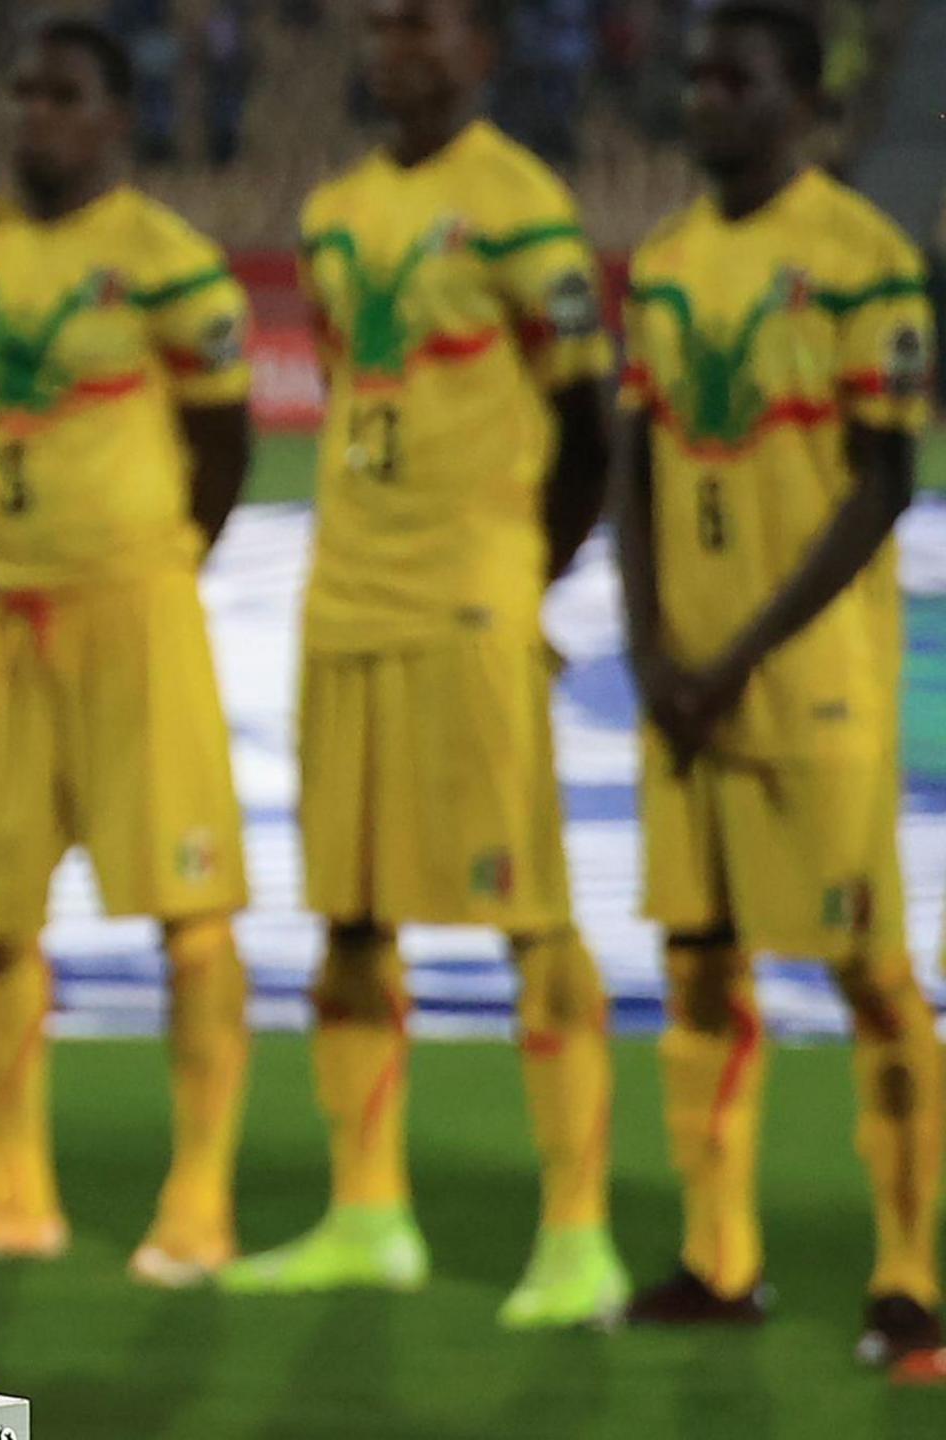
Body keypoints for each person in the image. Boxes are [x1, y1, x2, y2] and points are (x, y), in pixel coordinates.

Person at [217, 0, 621, 1329]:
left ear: (483, 51)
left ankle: (577, 1236)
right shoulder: (333, 211)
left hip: (466, 604)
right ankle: (367, 1211)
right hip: (347, 600)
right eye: (384, 23)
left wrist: (520, 579)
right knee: (347, 915)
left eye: (429, 24)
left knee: (529, 914)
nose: (401, 45)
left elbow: (586, 421)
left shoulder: (521, 204)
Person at [0, 20, 255, 1282]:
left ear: (112, 118)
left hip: (136, 610)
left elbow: (224, 441)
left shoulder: (168, 262)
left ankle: (198, 1199)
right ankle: (8, 1190)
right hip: (0, 613)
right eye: (24, 88)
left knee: (190, 921)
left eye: (65, 94)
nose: (36, 111)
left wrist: (157, 558)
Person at [613, 2, 942, 1381]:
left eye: (736, 79)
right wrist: (647, 643)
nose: (707, 100)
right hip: (681, 680)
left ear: (803, 103)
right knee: (698, 963)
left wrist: (735, 655)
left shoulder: (865, 261)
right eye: (697, 77)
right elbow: (633, 458)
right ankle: (718, 1260)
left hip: (811, 684)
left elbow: (884, 480)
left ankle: (915, 1283)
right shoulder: (668, 259)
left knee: (867, 973)